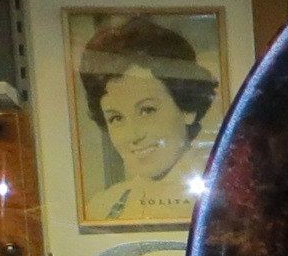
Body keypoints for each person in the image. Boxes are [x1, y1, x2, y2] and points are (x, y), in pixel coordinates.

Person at [78, 15, 219, 224]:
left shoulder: (226, 201)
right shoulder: (101, 209)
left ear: (187, 109)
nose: (133, 135)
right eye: (116, 118)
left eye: (147, 110)